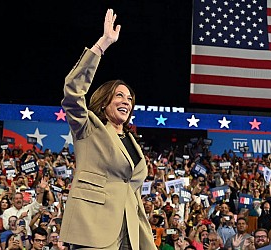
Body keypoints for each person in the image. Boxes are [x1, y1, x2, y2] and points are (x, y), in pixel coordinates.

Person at [59, 8, 156, 250]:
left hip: (128, 233)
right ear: (104, 102)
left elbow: (129, 190)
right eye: (119, 96)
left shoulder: (131, 140)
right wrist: (102, 45)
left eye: (130, 98)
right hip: (93, 230)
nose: (126, 101)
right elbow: (72, 91)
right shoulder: (89, 128)